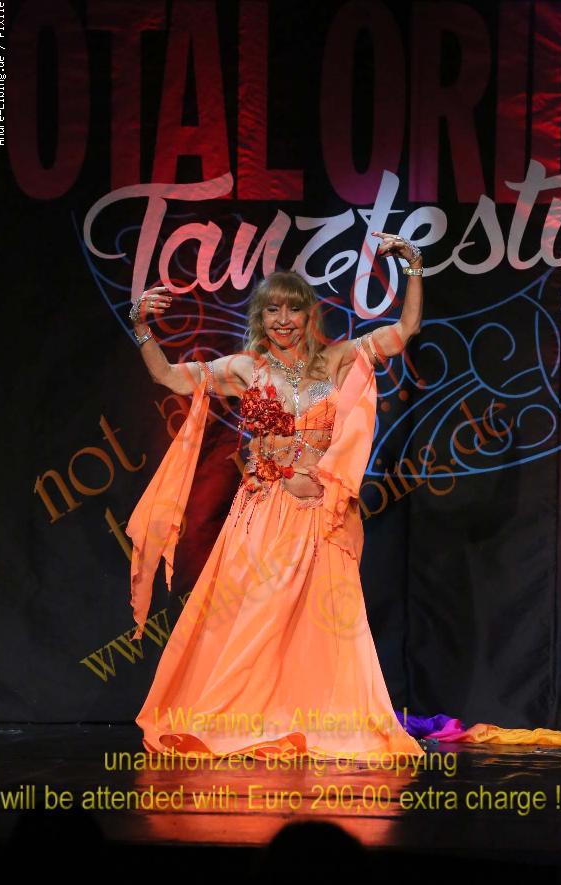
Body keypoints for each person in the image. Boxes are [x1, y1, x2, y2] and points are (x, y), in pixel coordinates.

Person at [126, 232, 425, 762]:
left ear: (310, 314)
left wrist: (414, 267)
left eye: (293, 308)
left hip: (320, 515)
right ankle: (238, 719)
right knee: (257, 620)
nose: (283, 320)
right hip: (262, 513)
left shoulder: (338, 359)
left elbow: (404, 331)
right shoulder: (247, 369)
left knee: (321, 625)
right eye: (272, 310)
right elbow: (170, 376)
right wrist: (142, 327)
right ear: (260, 318)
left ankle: (306, 718)